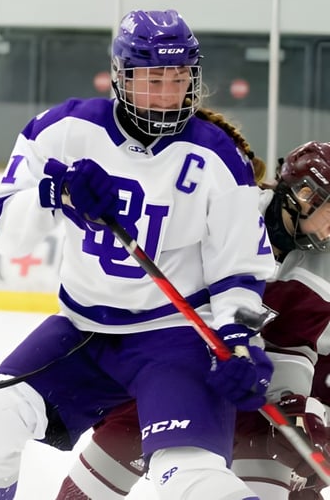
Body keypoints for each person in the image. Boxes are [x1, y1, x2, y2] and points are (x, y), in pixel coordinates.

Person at [0, 8, 277, 500]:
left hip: (174, 339)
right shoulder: (61, 130)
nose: (169, 94)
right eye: (155, 79)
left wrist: (241, 341)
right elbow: (5, 232)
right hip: (83, 334)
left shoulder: (217, 156)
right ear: (121, 76)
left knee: (191, 481)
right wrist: (53, 195)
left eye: (181, 78)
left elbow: (240, 270)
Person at [57, 140, 330, 500]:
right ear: (304, 194)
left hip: (250, 391)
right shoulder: (225, 213)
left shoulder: (321, 266)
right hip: (174, 374)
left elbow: (292, 346)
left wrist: (294, 408)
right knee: (80, 493)